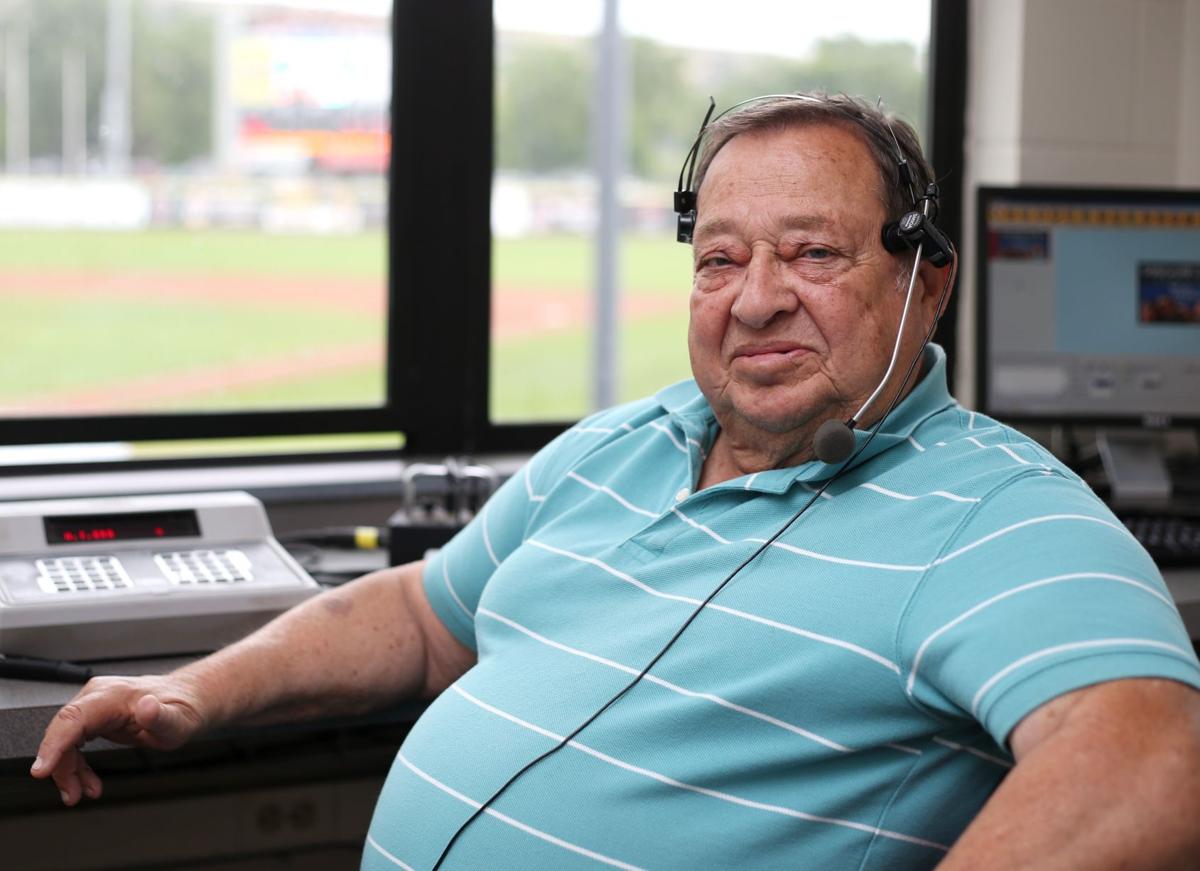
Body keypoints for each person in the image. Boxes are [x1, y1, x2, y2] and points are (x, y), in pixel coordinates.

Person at [33, 94, 1200, 870]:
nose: (756, 298)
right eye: (721, 259)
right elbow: (421, 616)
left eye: (812, 253)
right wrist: (195, 690)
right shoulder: (617, 445)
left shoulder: (996, 512)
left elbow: (1157, 765)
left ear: (926, 282)